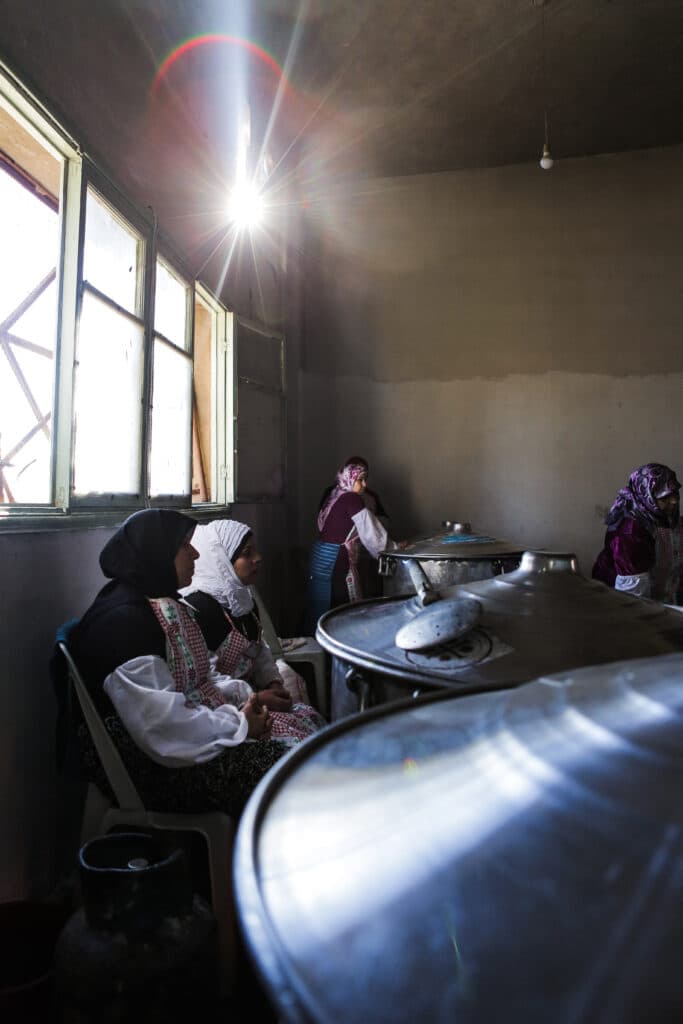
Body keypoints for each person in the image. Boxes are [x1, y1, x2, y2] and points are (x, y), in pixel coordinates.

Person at [69, 509, 300, 818]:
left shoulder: (153, 603)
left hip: (172, 743)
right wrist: (240, 724)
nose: (195, 553)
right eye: (184, 546)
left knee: (301, 742)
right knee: (291, 771)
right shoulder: (124, 624)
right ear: (158, 553)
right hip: (150, 768)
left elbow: (195, 681)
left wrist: (247, 700)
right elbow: (164, 727)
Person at [181, 519, 325, 737]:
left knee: (311, 719)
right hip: (228, 713)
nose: (258, 558)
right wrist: (255, 697)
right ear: (222, 561)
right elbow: (205, 680)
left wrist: (273, 682)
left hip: (255, 697)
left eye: (255, 551)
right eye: (247, 553)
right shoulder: (200, 609)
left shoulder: (241, 599)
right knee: (298, 741)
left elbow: (259, 649)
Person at [304, 459, 404, 632]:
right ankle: (341, 643)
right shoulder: (352, 498)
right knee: (342, 610)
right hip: (336, 559)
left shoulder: (335, 494)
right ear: (349, 478)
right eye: (360, 480)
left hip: (320, 557)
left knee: (321, 606)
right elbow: (371, 533)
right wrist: (393, 549)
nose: (365, 484)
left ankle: (318, 641)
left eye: (365, 479)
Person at [592, 462, 683, 603]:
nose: (674, 501)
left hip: (661, 601)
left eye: (675, 493)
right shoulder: (630, 533)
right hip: (619, 603)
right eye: (664, 498)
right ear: (646, 496)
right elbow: (632, 598)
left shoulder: (671, 519)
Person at [318, 455, 389, 521]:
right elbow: (321, 518)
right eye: (359, 478)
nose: (364, 484)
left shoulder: (371, 497)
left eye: (365, 477)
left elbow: (384, 520)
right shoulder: (331, 493)